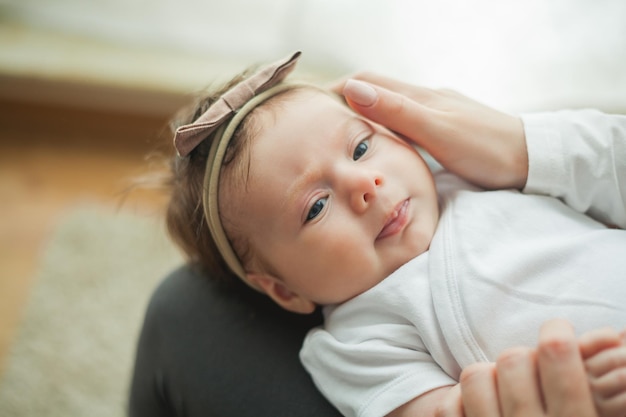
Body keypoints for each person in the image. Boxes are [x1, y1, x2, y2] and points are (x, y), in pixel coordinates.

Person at [133, 51, 626, 417]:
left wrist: (525, 144)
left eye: (362, 147)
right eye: (316, 207)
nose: (363, 185)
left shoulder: (468, 174)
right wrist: (507, 401)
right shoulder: (359, 339)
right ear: (284, 289)